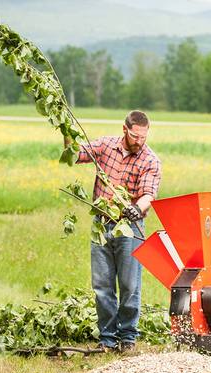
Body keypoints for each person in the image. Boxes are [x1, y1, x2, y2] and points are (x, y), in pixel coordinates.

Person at [69, 110, 161, 353]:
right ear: (124, 129)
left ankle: (128, 338)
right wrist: (66, 131)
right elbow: (75, 154)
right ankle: (107, 339)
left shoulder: (150, 160)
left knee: (130, 285)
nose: (139, 141)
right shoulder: (106, 146)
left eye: (143, 136)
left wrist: (135, 208)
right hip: (101, 225)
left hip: (130, 227)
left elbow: (149, 194)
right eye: (134, 136)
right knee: (102, 285)